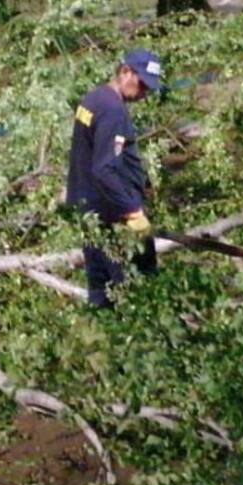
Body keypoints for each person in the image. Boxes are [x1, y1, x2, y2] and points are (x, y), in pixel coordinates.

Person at [66, 48, 162, 307]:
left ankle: (106, 338)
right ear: (125, 72)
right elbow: (104, 169)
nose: (144, 92)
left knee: (100, 287)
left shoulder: (93, 99)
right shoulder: (112, 110)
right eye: (142, 84)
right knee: (134, 289)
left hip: (90, 209)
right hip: (113, 215)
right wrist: (132, 212)